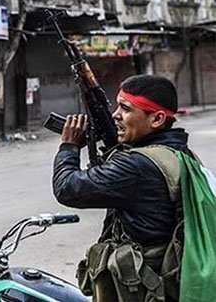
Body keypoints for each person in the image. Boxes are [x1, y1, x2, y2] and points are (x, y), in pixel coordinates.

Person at [52, 75, 195, 301]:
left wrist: (69, 146)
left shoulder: (136, 165)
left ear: (157, 119)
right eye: (117, 105)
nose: (115, 115)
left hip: (142, 288)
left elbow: (67, 188)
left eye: (126, 109)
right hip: (168, 283)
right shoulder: (179, 153)